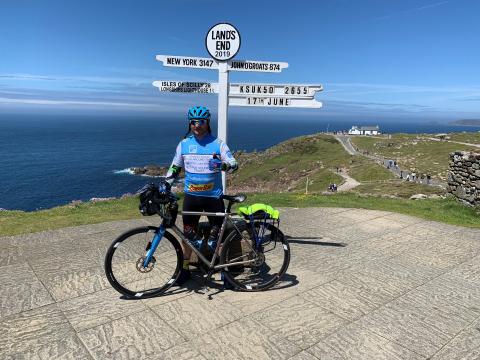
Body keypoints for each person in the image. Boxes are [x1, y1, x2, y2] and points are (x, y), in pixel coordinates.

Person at [165, 106, 238, 285]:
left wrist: (222, 166)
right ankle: (184, 269)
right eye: (193, 122)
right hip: (192, 197)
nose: (197, 125)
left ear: (207, 123)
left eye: (201, 122)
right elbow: (175, 167)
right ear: (189, 123)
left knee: (218, 239)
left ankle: (224, 272)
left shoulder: (218, 143)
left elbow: (234, 164)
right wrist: (165, 184)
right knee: (187, 237)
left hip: (214, 197)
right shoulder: (183, 144)